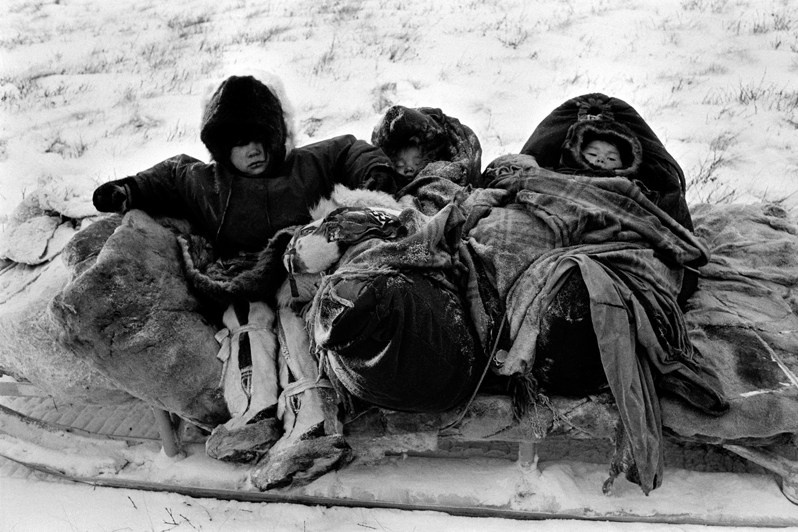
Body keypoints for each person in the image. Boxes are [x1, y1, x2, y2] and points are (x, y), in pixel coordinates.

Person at [90, 73, 405, 482]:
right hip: (245, 279)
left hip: (299, 270)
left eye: (259, 138)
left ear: (275, 136)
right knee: (244, 320)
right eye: (239, 143)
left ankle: (313, 421)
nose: (252, 150)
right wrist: (127, 191)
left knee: (295, 318)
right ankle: (254, 415)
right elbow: (167, 177)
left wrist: (374, 174)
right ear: (223, 148)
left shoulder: (307, 164)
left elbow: (350, 150)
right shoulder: (207, 183)